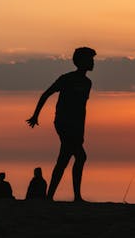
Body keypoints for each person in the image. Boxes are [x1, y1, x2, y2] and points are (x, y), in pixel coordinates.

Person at [26, 46, 96, 201]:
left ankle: (50, 196)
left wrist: (81, 132)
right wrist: (35, 115)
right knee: (79, 156)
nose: (92, 62)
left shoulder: (87, 83)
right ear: (81, 61)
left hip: (77, 125)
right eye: (90, 59)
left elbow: (81, 109)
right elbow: (46, 94)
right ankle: (75, 196)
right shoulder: (66, 79)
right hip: (63, 123)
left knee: (65, 158)